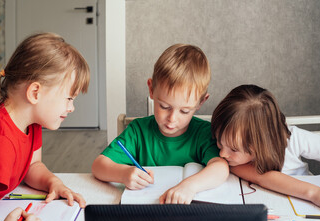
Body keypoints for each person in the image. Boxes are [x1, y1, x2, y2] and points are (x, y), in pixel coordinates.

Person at [0, 32, 89, 221]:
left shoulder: (31, 123)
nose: (72, 108)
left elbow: (32, 166)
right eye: (68, 98)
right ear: (35, 93)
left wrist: (53, 182)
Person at [92, 44, 229, 204]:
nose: (172, 118)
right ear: (151, 89)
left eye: (184, 111)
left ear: (201, 101)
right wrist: (123, 174)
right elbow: (98, 166)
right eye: (164, 106)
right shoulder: (137, 131)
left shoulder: (204, 133)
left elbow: (221, 168)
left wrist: (189, 186)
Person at [211, 84, 320, 209]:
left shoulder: (293, 139)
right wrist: (314, 193)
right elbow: (264, 178)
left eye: (234, 149)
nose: (222, 153)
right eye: (219, 141)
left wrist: (317, 194)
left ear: (261, 143)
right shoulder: (228, 161)